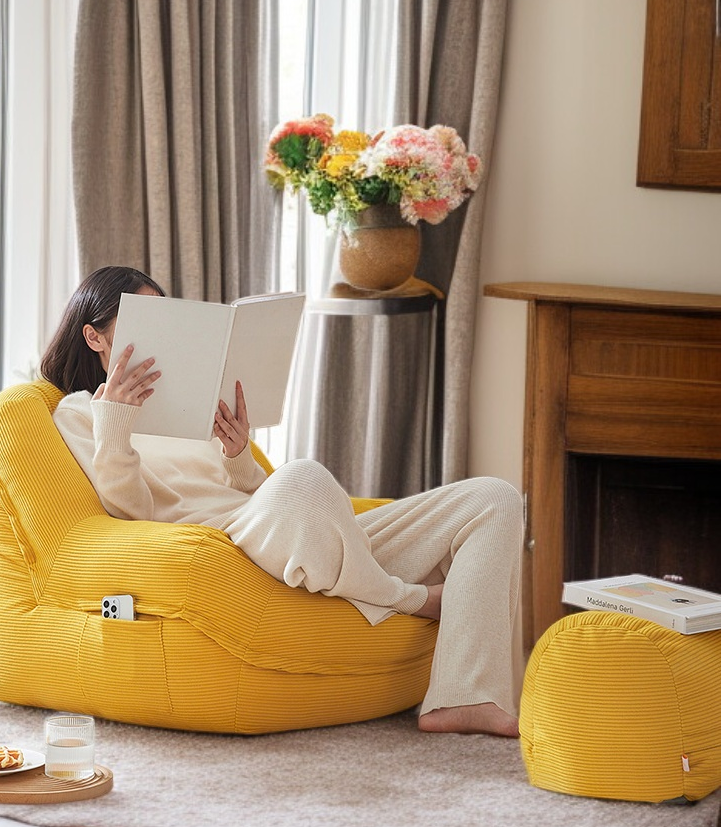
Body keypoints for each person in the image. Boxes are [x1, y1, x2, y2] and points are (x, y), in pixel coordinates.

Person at [41, 265, 523, 737]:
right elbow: (130, 515)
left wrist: (236, 454)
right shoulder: (79, 414)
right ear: (94, 337)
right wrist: (116, 421)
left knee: (493, 498)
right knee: (303, 478)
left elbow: (254, 493)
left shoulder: (190, 401)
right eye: (140, 320)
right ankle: (411, 599)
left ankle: (466, 696)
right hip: (227, 550)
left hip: (286, 534)